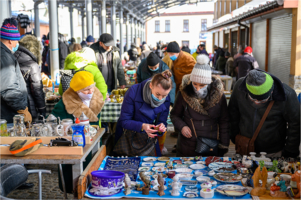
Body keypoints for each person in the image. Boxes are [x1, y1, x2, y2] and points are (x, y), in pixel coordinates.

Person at [51, 71, 104, 193]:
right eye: (86, 90)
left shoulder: (95, 95)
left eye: (91, 88)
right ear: (77, 90)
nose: (90, 92)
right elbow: (54, 123)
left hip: (93, 142)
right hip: (74, 145)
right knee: (76, 181)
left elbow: (96, 120)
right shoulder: (64, 104)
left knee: (94, 172)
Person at [228, 69, 300, 158]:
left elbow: (295, 124)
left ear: (272, 92)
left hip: (273, 152)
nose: (257, 103)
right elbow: (233, 113)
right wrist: (234, 137)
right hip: (245, 148)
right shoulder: (239, 87)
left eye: (263, 100)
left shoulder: (287, 94)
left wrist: (290, 151)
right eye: (253, 99)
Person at [171, 54, 229, 157]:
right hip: (187, 144)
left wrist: (224, 145)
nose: (198, 89)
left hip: (210, 143)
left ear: (209, 84)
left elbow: (224, 121)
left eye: (202, 85)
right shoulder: (183, 92)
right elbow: (174, 115)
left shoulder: (219, 95)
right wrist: (182, 126)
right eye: (195, 84)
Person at [115, 70, 173, 156]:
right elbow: (124, 121)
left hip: (149, 141)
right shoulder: (133, 91)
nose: (160, 99)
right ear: (150, 86)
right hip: (128, 140)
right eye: (157, 94)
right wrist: (142, 126)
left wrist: (160, 128)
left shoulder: (166, 98)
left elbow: (162, 121)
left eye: (164, 96)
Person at [0, 18, 31, 123]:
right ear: (10, 40)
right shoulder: (4, 57)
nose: (17, 43)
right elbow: (9, 89)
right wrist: (23, 110)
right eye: (16, 40)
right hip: (6, 114)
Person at [14, 35, 46, 121]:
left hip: (13, 106)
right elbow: (37, 90)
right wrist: (42, 110)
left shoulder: (12, 58)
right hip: (28, 107)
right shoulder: (32, 65)